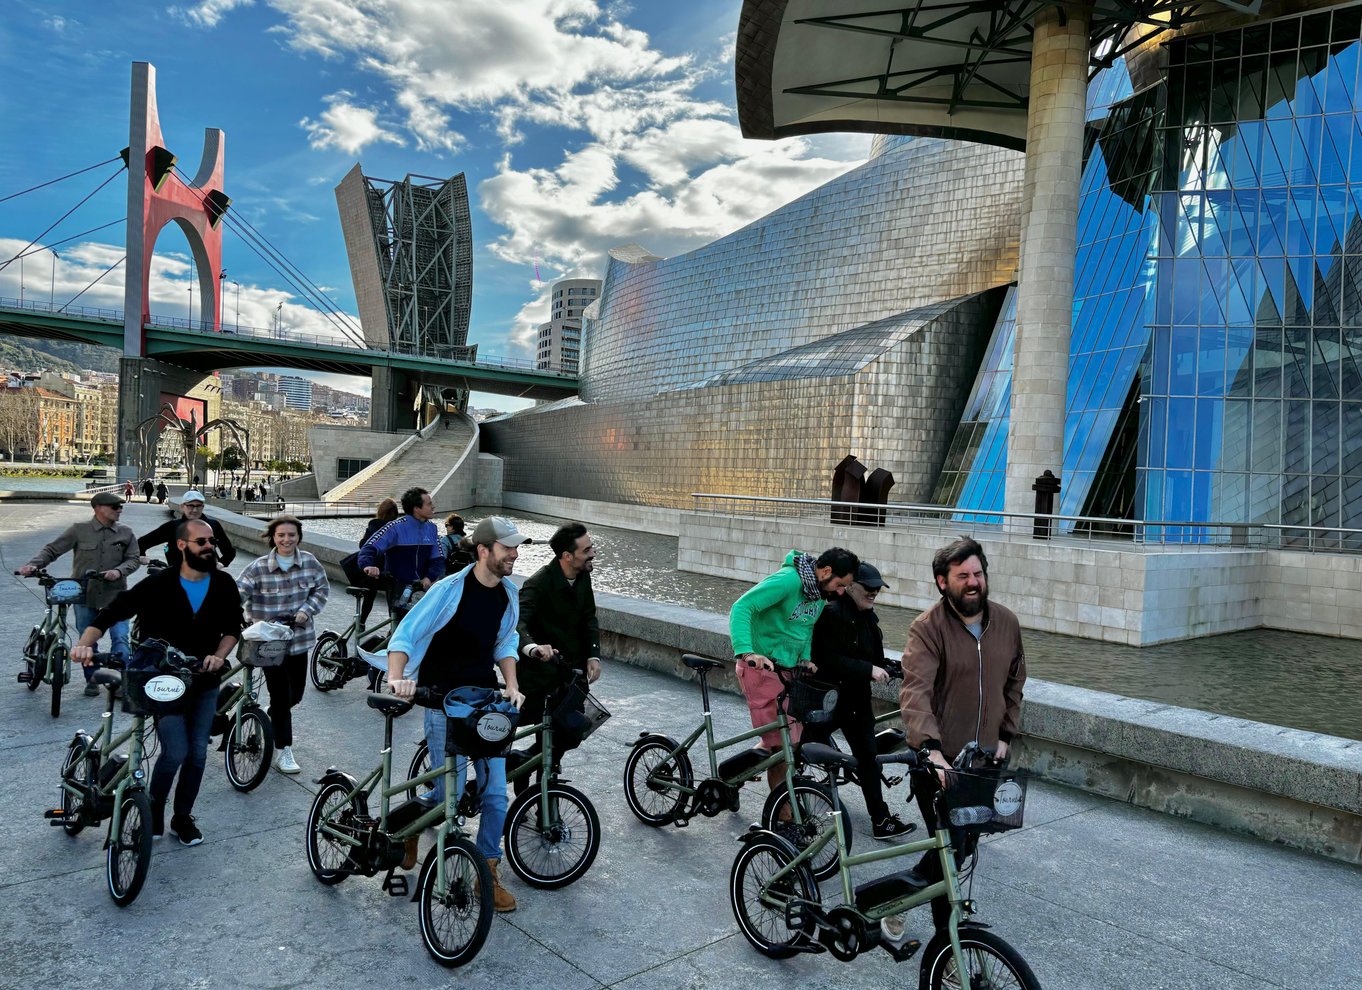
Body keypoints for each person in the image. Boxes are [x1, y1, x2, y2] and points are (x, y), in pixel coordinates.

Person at [387, 516, 529, 913]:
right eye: (507, 549)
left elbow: (506, 640)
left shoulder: (508, 594)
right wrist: (397, 678)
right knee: (444, 794)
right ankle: (408, 828)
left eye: (516, 549)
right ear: (484, 550)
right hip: (442, 703)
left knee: (496, 794)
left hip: (485, 703)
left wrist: (512, 684)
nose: (514, 555)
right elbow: (406, 633)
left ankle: (487, 870)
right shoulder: (450, 590)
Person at [71, 518, 243, 846]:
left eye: (212, 542)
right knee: (175, 751)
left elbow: (232, 628)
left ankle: (182, 817)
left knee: (198, 755)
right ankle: (154, 807)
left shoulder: (223, 584)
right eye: (202, 542)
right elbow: (110, 614)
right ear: (182, 546)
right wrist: (84, 643)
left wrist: (220, 655)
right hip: (163, 681)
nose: (210, 547)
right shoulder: (159, 584)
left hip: (204, 681)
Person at [899, 536, 1026, 924]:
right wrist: (932, 750)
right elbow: (915, 692)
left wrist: (1006, 736)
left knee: (964, 842)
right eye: (963, 576)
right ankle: (948, 949)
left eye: (978, 573)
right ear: (942, 582)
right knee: (951, 849)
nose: (973, 582)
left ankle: (898, 897)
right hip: (939, 762)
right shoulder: (927, 628)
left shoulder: (1006, 622)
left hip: (985, 760)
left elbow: (1015, 681)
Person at [728, 546, 859, 794]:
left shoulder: (818, 594)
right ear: (826, 571)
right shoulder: (788, 581)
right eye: (840, 585)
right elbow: (742, 607)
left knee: (786, 741)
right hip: (761, 667)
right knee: (783, 745)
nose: (841, 592)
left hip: (788, 671)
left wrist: (805, 657)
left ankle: (731, 778)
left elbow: (805, 627)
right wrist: (747, 652)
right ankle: (785, 816)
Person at [808, 562, 915, 839]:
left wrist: (897, 668)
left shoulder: (868, 616)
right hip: (828, 700)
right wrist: (867, 670)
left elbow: (874, 658)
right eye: (869, 587)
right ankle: (789, 800)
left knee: (869, 757)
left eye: (878, 587)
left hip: (856, 701)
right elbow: (827, 659)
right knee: (798, 748)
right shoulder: (831, 613)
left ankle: (881, 821)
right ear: (850, 586)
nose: (875, 591)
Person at [19, 492, 141, 697]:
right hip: (84, 594)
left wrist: (119, 571)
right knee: (88, 639)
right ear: (99, 508)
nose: (119, 510)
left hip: (116, 595)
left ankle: (121, 682)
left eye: (121, 506)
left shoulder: (126, 533)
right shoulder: (79, 530)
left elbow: (134, 559)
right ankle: (92, 678)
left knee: (120, 637)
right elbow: (52, 550)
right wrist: (33, 565)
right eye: (115, 506)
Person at [236, 515, 330, 775]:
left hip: (298, 641)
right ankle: (284, 750)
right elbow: (238, 592)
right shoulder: (257, 568)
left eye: (291, 535)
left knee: (295, 695)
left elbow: (321, 589)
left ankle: (275, 714)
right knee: (279, 694)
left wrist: (306, 611)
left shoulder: (310, 562)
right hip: (268, 645)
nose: (286, 539)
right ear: (273, 538)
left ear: (299, 536)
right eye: (281, 535)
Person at [514, 522, 601, 793]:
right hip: (539, 677)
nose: (592, 554)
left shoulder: (583, 576)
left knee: (573, 731)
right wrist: (535, 647)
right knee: (551, 733)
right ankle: (544, 801)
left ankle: (525, 761)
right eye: (586, 550)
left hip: (570, 676)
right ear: (566, 556)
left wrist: (593, 655)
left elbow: (589, 618)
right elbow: (518, 626)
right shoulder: (538, 583)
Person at [358, 486, 445, 614]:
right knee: (399, 625)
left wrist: (429, 577)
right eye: (429, 504)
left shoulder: (432, 528)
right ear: (416, 508)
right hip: (397, 587)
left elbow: (438, 558)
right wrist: (368, 565)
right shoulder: (395, 527)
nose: (433, 507)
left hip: (423, 586)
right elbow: (369, 547)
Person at [138, 489, 237, 570]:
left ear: (203, 507)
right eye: (190, 506)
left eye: (199, 506)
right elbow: (142, 543)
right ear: (182, 507)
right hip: (177, 578)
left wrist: (221, 564)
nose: (195, 510)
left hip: (208, 576)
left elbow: (229, 551)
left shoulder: (213, 525)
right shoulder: (173, 527)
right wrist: (142, 556)